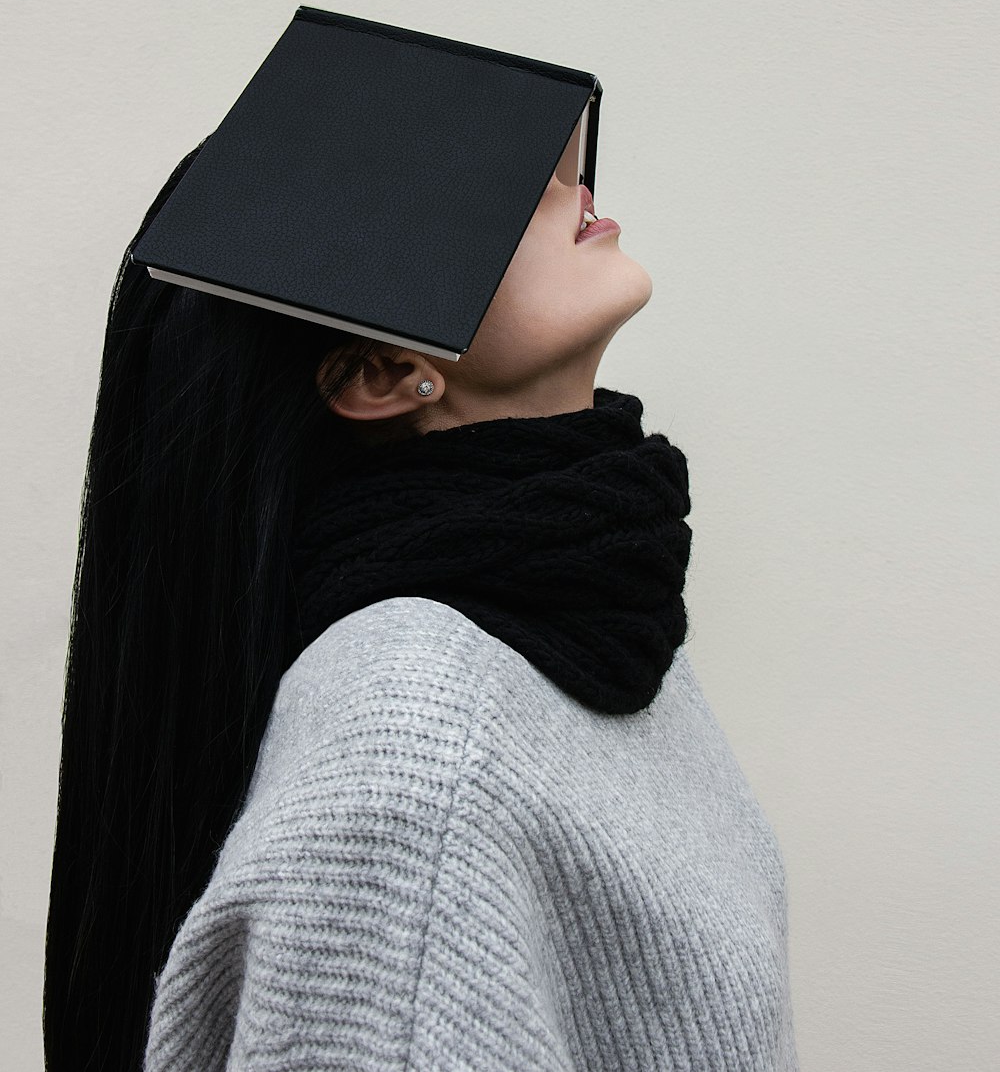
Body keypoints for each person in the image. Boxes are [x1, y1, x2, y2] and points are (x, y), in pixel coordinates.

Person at [43, 139, 799, 1071]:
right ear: (383, 375)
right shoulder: (416, 756)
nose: (571, 186)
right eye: (485, 187)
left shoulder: (592, 618)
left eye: (556, 164)